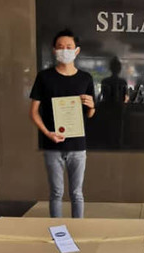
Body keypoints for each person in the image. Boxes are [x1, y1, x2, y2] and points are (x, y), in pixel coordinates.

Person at [29, 28, 96, 218]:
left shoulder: (85, 78)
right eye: (60, 47)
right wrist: (47, 133)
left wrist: (91, 106)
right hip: (53, 144)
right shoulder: (44, 77)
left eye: (68, 47)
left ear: (77, 51)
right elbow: (33, 112)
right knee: (56, 193)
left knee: (77, 194)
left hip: (77, 145)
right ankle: (57, 233)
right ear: (53, 50)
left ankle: (78, 231)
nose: (64, 50)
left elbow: (90, 114)